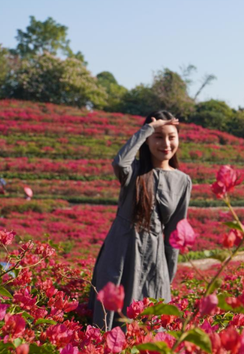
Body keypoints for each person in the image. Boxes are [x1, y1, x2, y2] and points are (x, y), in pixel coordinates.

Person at [89, 110, 192, 330]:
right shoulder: (134, 172)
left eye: (171, 137)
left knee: (149, 326)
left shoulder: (183, 181)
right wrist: (147, 129)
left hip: (154, 260)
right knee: (111, 322)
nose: (165, 143)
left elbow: (175, 233)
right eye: (158, 136)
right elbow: (119, 162)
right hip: (121, 254)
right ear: (147, 141)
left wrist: (167, 276)